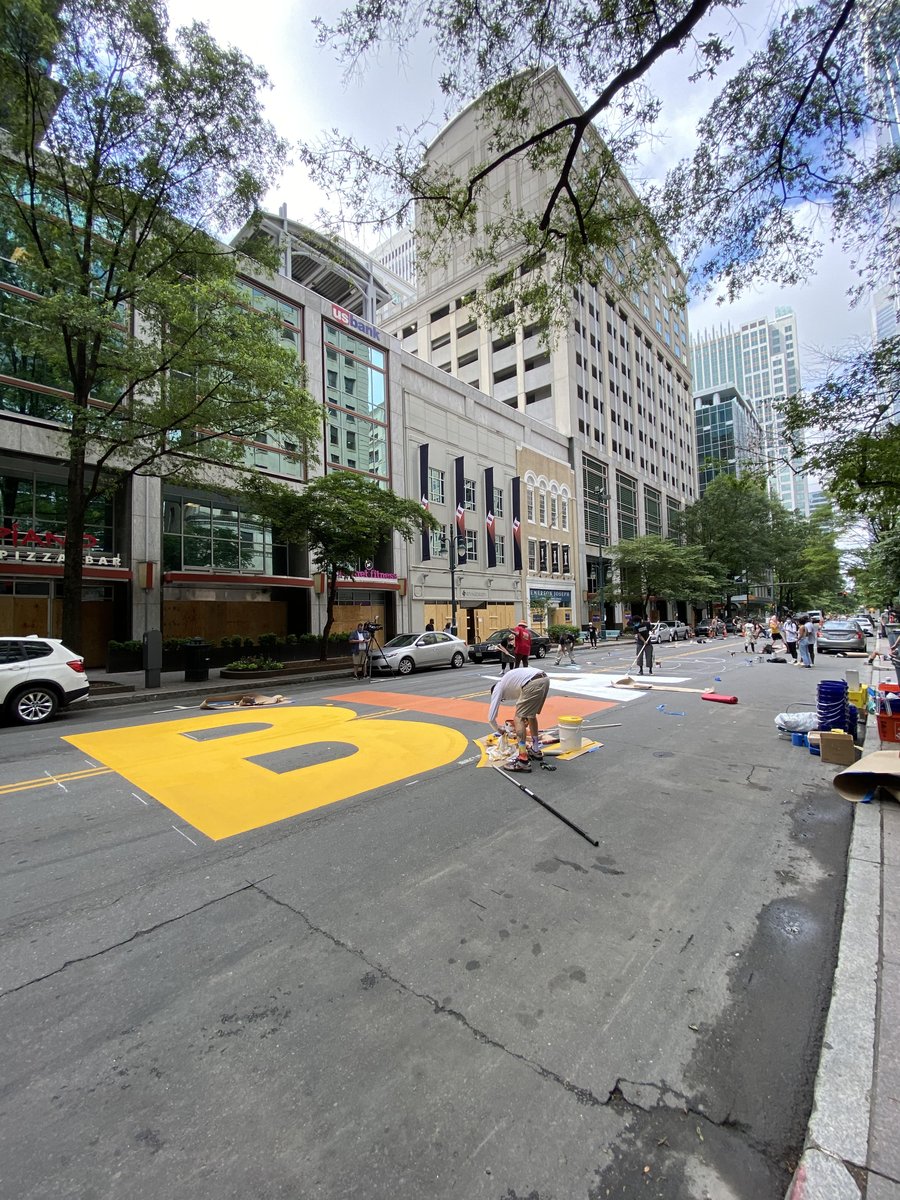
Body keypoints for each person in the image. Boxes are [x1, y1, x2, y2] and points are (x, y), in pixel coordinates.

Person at [488, 664, 551, 771]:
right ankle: (535, 750)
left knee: (518, 718)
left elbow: (491, 718)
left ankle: (522, 760)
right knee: (531, 716)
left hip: (532, 682)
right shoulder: (510, 683)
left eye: (502, 699)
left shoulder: (498, 688)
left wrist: (499, 729)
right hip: (544, 679)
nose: (504, 699)